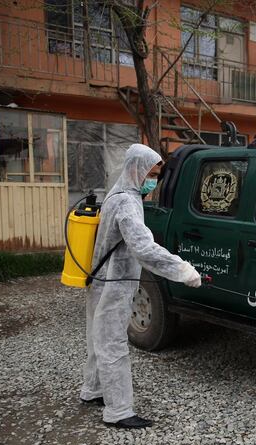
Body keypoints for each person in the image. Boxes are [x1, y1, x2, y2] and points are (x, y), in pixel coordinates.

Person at [80, 144, 201, 429]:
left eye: (158, 173)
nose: (155, 179)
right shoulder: (127, 202)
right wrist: (183, 270)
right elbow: (144, 248)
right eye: (153, 172)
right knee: (112, 343)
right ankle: (119, 411)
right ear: (136, 168)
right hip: (114, 284)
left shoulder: (119, 194)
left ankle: (93, 390)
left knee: (98, 340)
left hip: (102, 280)